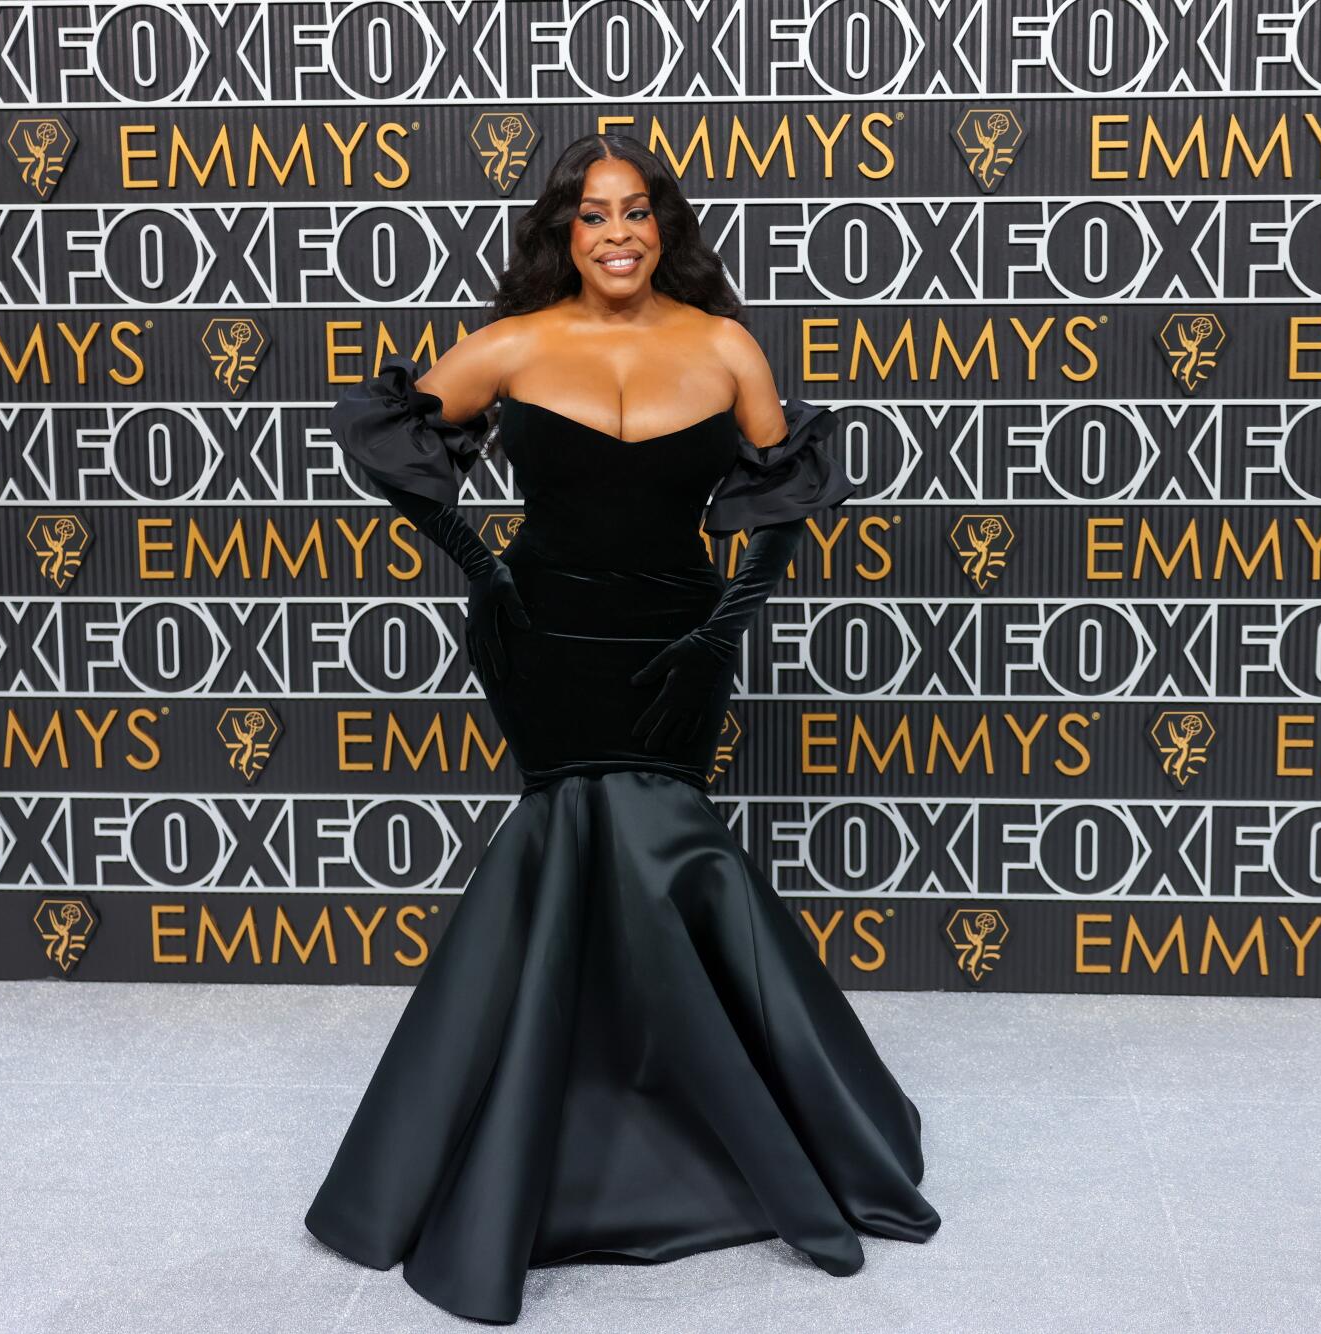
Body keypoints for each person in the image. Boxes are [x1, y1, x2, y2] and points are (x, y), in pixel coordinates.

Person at [303, 132, 939, 1325]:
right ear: (565, 229)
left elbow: (780, 500)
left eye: (635, 211)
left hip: (673, 647)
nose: (615, 233)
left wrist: (726, 626)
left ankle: (700, 1117)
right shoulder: (513, 342)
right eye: (592, 213)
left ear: (663, 226)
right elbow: (391, 443)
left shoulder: (722, 346)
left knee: (660, 853)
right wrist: (480, 572)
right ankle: (550, 1135)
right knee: (569, 844)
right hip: (544, 645)